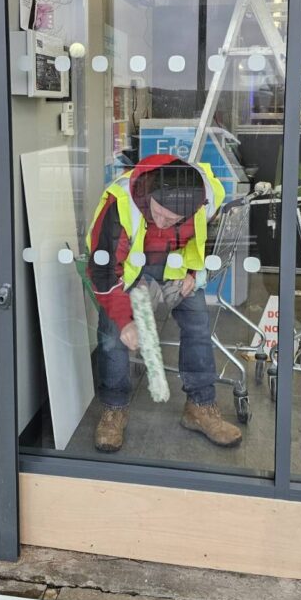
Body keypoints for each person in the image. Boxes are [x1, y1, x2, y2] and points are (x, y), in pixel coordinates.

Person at [87, 154, 243, 453]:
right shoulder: (119, 204)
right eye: (159, 213)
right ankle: (114, 408)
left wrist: (194, 273)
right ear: (150, 193)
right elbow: (103, 269)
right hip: (125, 270)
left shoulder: (207, 198)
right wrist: (124, 321)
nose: (162, 221)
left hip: (174, 266)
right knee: (112, 336)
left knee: (198, 324)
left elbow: (206, 236)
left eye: (173, 220)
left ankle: (200, 407)